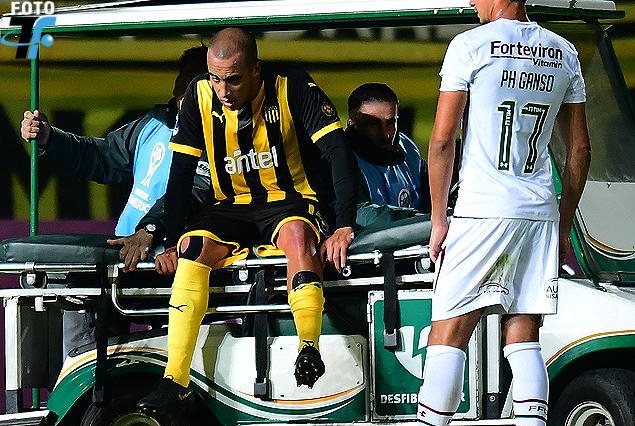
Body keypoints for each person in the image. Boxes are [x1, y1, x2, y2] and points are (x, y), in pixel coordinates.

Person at [137, 27, 357, 413]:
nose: (223, 90)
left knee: (298, 236)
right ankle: (175, 379)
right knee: (192, 247)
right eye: (215, 78)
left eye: (234, 80)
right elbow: (180, 174)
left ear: (256, 69)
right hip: (232, 205)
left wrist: (343, 225)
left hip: (290, 200)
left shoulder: (292, 86)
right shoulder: (198, 95)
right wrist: (171, 242)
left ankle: (309, 347)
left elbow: (338, 152)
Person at [416, 1, 590, 425]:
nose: (471, 2)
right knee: (524, 337)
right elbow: (580, 151)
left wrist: (438, 219)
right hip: (538, 212)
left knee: (448, 335)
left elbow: (442, 140)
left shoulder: (470, 46)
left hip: (482, 210)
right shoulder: (563, 51)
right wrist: (562, 225)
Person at [20, 46, 210, 352]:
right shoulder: (154, 123)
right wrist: (49, 138)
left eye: (200, 80)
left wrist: (149, 231)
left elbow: (194, 193)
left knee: (165, 356)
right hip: (124, 257)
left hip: (173, 263)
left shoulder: (221, 136)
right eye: (185, 77)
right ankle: (83, 373)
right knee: (71, 286)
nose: (189, 88)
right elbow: (101, 155)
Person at [345, 83, 431, 229]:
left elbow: (432, 194)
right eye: (373, 124)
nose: (386, 134)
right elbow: (354, 213)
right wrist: (411, 219)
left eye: (390, 122)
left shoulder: (407, 147)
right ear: (353, 124)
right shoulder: (342, 160)